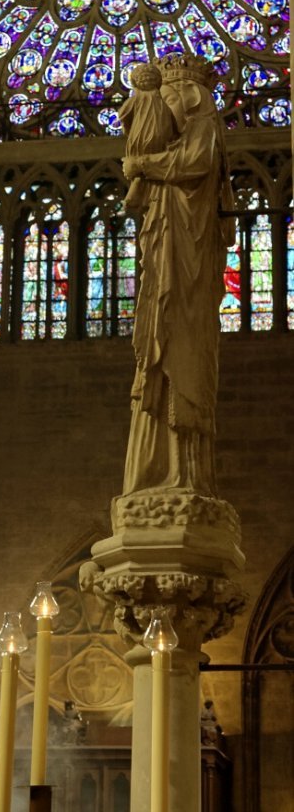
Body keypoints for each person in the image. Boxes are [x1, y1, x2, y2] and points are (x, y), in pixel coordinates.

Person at [121, 53, 235, 496]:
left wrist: (145, 165)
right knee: (155, 348)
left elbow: (195, 162)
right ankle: (153, 475)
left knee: (180, 344)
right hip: (163, 245)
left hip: (187, 256)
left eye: (168, 102)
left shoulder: (201, 119)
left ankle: (182, 477)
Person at [118, 62, 176, 216]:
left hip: (140, 138)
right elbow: (172, 122)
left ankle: (133, 197)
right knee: (145, 170)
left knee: (139, 168)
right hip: (161, 140)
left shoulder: (137, 99)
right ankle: (138, 197)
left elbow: (122, 114)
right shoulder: (161, 101)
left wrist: (128, 128)